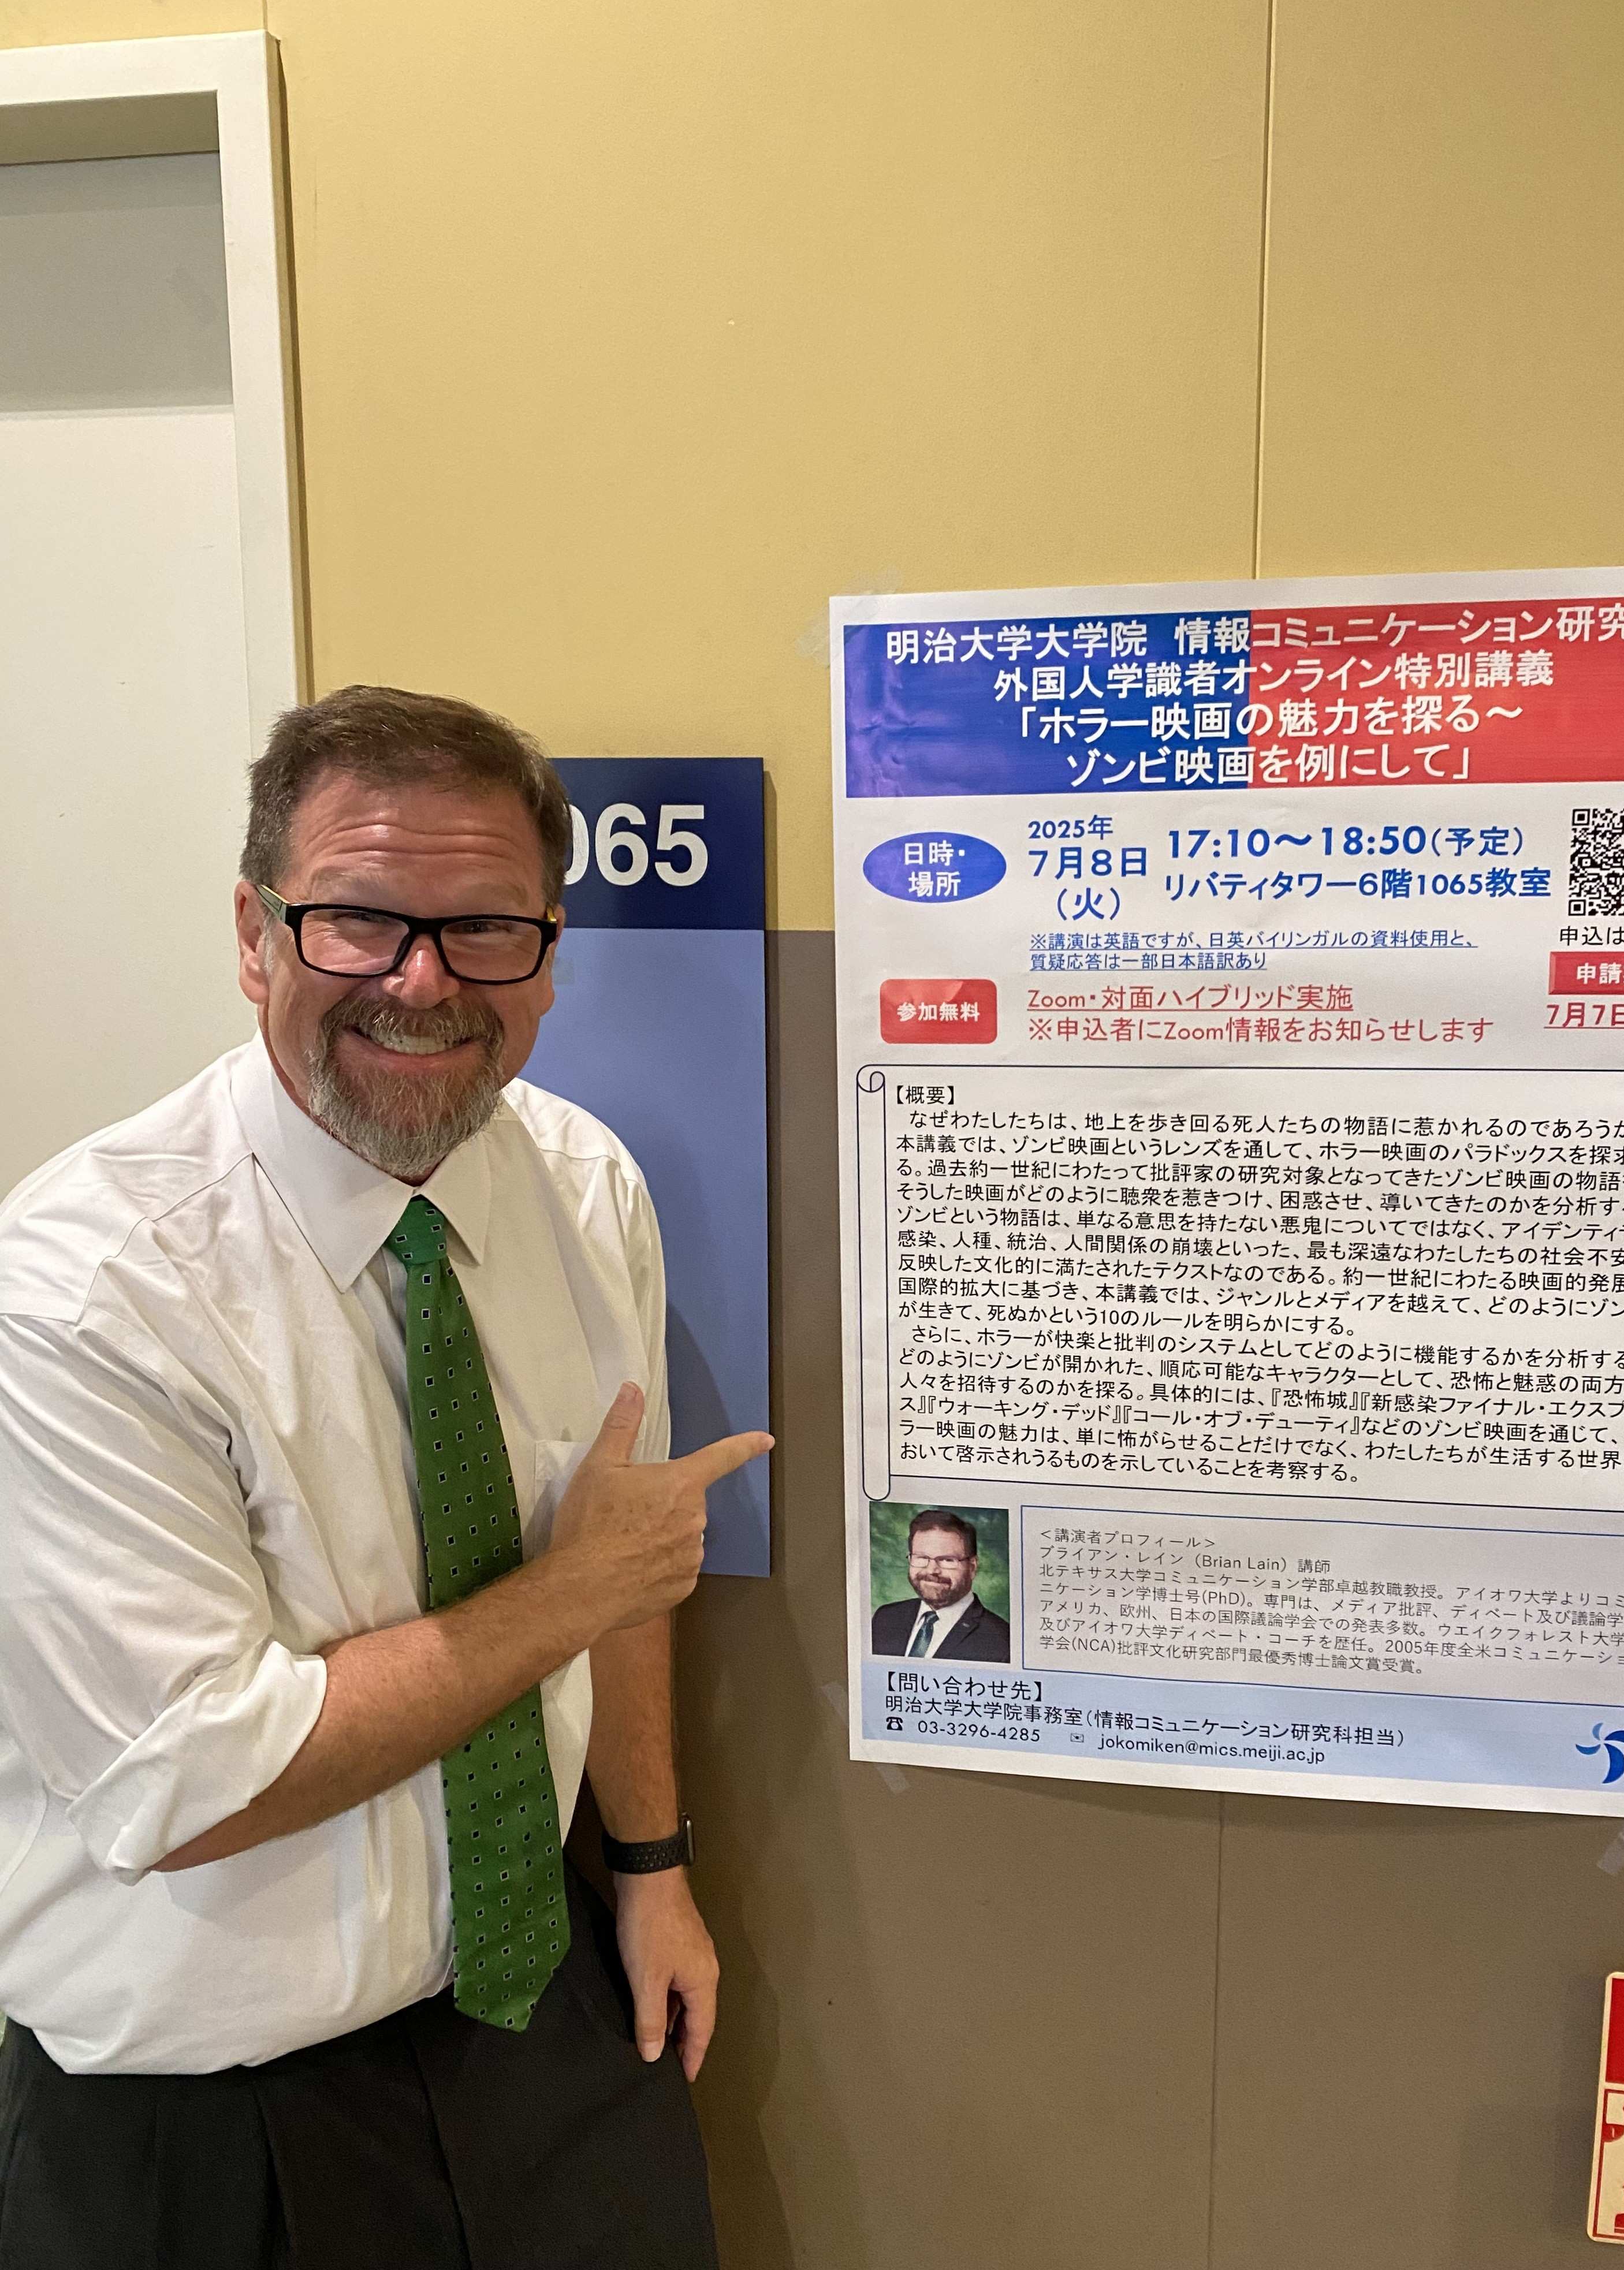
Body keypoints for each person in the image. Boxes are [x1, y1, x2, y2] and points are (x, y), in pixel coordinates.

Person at [0, 685, 773, 2269]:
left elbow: (620, 1549)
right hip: (204, 2105)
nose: (421, 983)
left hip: (537, 2007)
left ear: (551, 955)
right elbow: (191, 1780)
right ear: (253, 932)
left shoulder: (580, 1183)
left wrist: (648, 1868)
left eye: (485, 929)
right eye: (358, 921)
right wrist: (572, 1591)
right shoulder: (86, 1289)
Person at [870, 1509, 1010, 1664]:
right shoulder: (886, 1618)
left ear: (972, 1567)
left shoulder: (1002, 1642)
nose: (932, 1570)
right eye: (922, 1558)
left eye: (947, 1560)